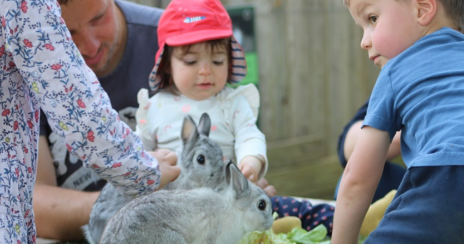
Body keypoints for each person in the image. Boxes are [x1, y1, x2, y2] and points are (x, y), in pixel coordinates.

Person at [0, 0, 180, 243]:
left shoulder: (173, 39)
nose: (90, 46)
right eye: (65, 30)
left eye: (98, 19)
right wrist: (141, 181)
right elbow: (75, 106)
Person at [332, 0, 464, 243]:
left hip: (446, 181)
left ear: (422, 9)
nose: (363, 41)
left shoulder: (394, 71)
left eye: (372, 19)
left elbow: (357, 179)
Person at [136, 0, 268, 184]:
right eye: (191, 61)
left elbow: (249, 135)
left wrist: (251, 160)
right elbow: (137, 151)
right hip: (170, 202)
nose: (206, 71)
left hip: (223, 197)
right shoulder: (154, 107)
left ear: (229, 62)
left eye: (217, 61)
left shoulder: (232, 103)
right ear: (166, 65)